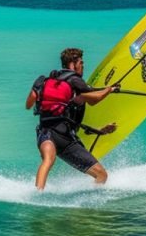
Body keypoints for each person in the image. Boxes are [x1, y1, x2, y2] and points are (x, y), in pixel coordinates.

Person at [25, 47, 118, 190]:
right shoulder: (75, 80)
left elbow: (28, 104)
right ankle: (90, 203)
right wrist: (109, 89)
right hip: (65, 139)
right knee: (102, 175)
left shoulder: (43, 81)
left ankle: (37, 194)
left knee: (48, 161)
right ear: (73, 64)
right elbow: (95, 99)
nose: (83, 66)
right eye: (81, 63)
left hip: (45, 132)